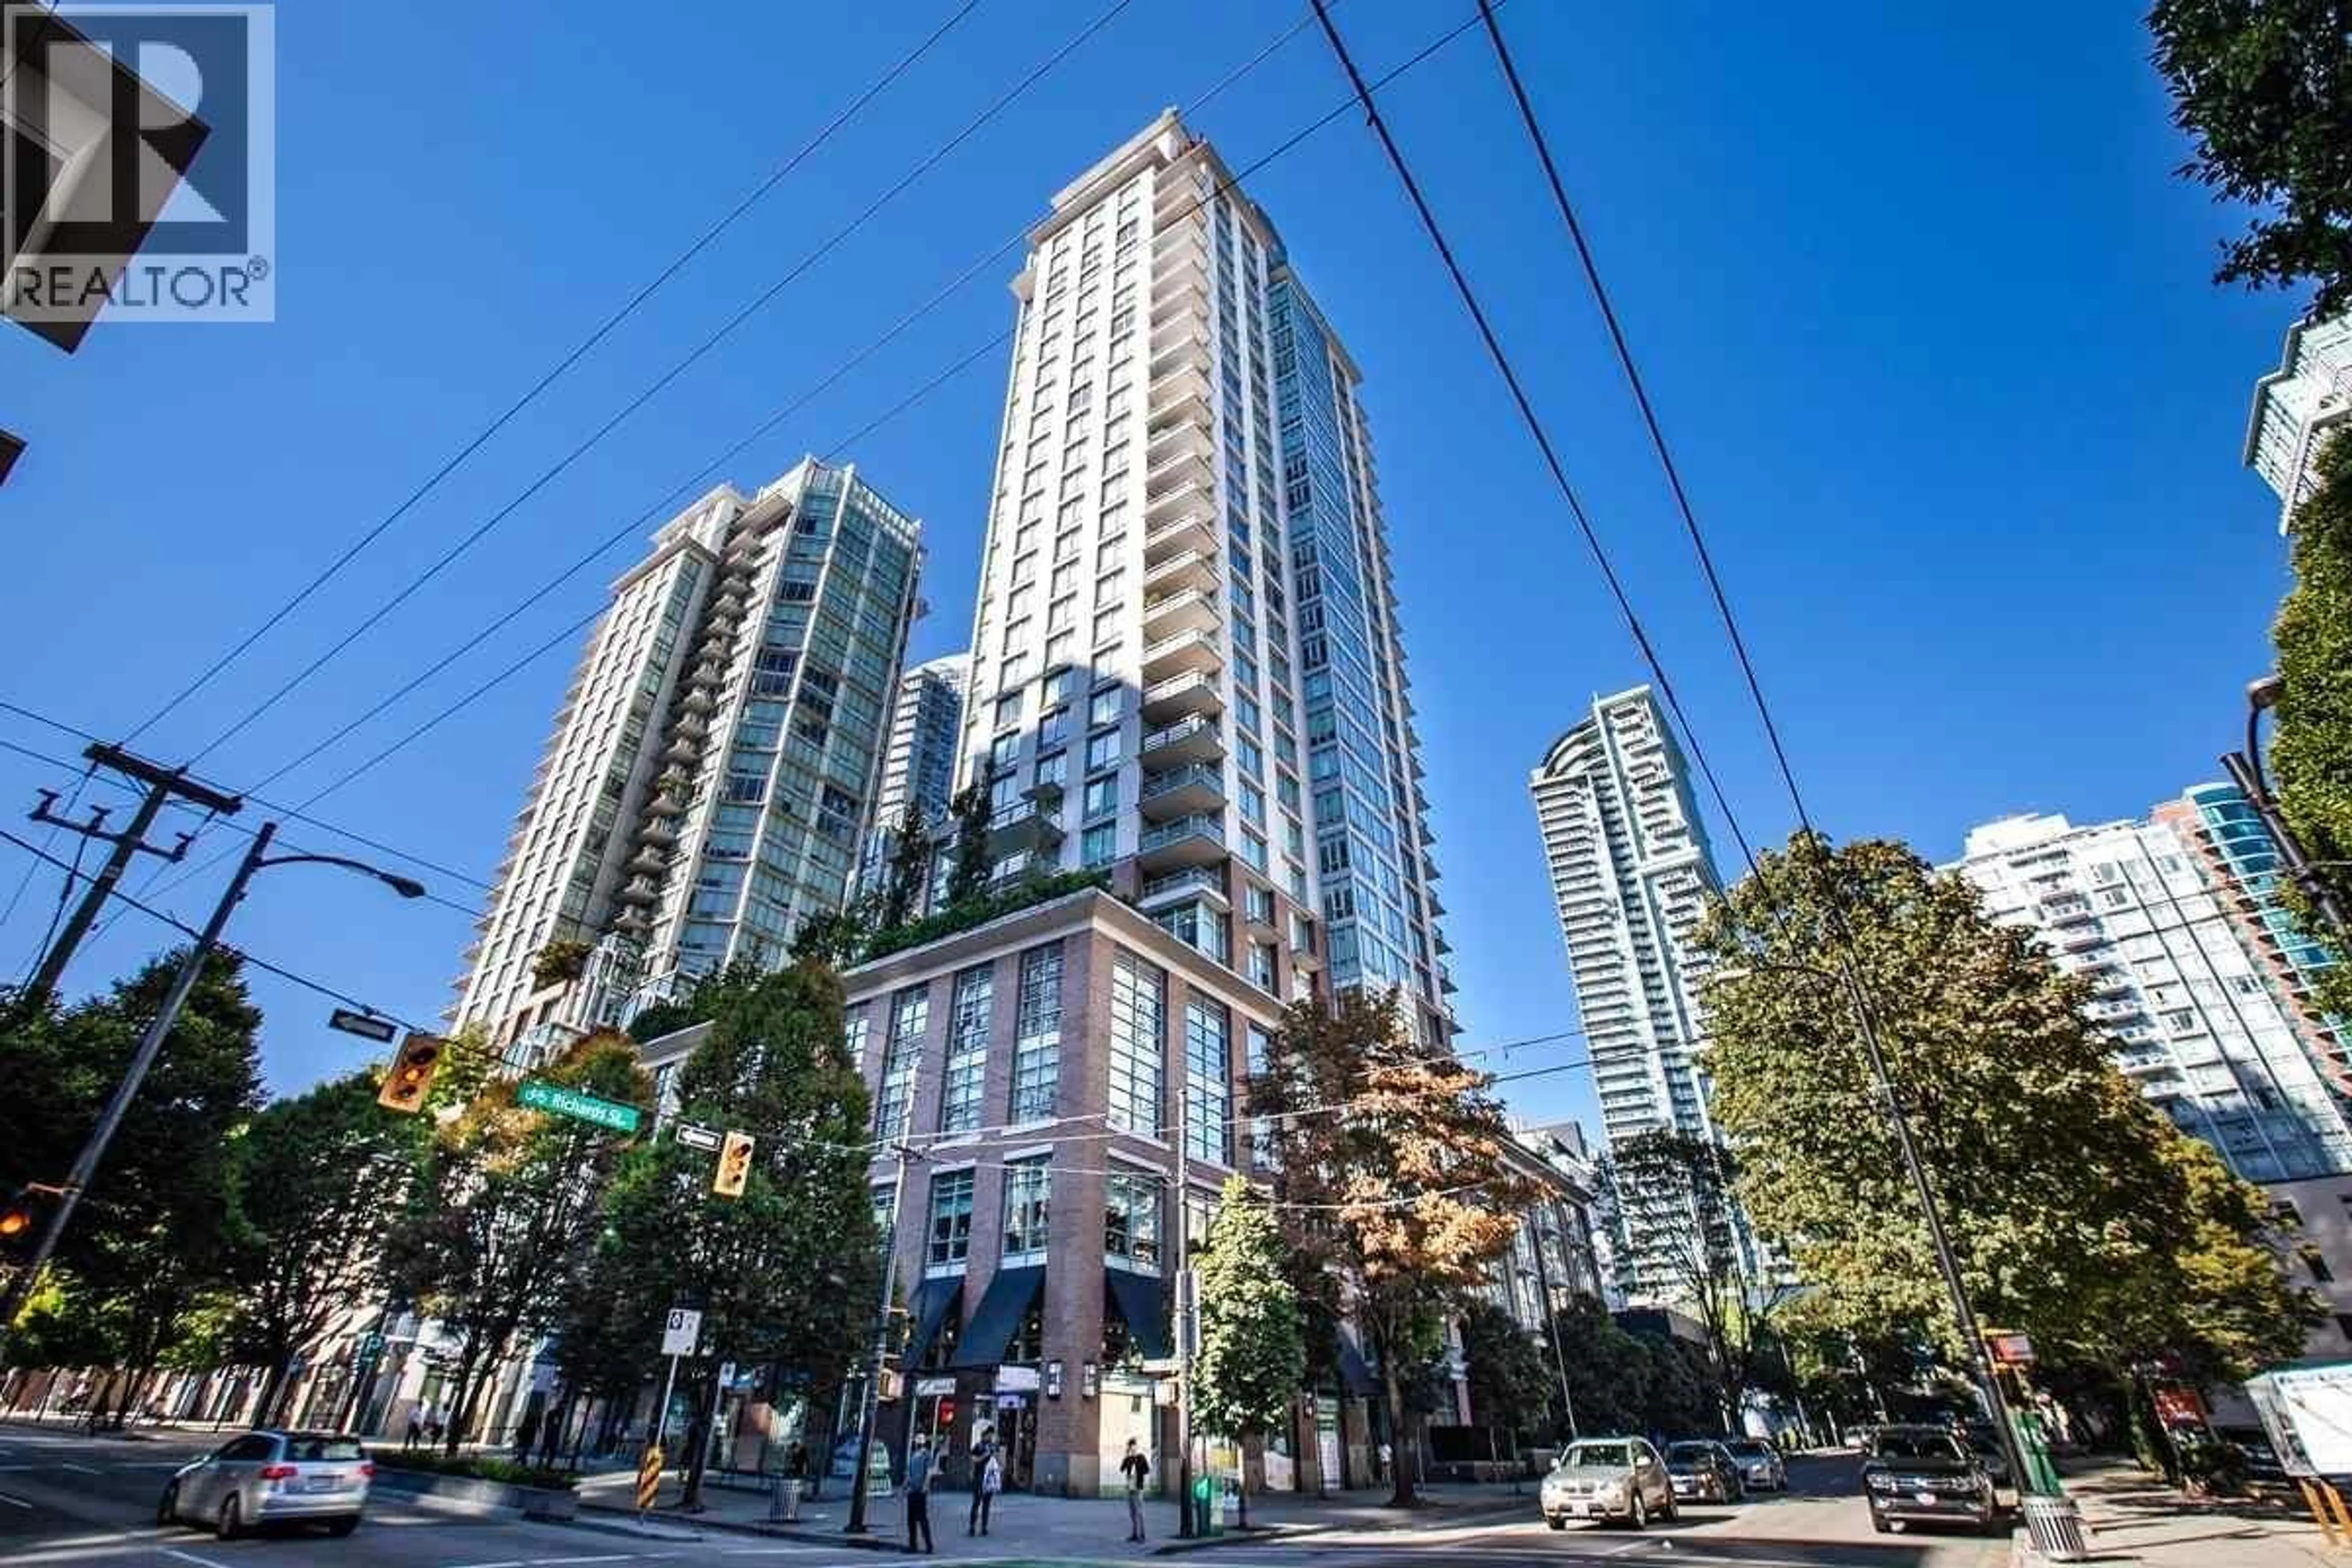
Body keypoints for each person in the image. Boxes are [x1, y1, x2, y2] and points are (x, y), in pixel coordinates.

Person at [905, 1434, 937, 1553]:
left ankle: (929, 1545)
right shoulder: (913, 1455)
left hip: (920, 1491)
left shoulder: (926, 1455)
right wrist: (905, 1486)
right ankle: (913, 1545)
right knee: (911, 1520)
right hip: (912, 1490)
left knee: (922, 1519)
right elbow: (909, 1473)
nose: (917, 1444)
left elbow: (929, 1472)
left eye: (918, 1442)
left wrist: (925, 1486)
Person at [968, 1425, 998, 1536]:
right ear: (985, 1434)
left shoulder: (993, 1446)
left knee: (987, 1504)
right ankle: (972, 1527)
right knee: (976, 1503)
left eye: (992, 1434)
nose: (991, 1436)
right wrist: (986, 1455)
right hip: (979, 1477)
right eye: (989, 1434)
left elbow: (996, 1460)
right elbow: (974, 1460)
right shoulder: (978, 1446)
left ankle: (984, 1527)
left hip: (989, 1479)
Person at [1121, 1438, 1151, 1544]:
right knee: (1132, 1512)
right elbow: (1122, 1469)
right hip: (1130, 1488)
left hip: (1138, 1488)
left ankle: (1142, 1535)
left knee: (1140, 1512)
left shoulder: (1141, 1457)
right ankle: (1134, 1534)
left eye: (1133, 1446)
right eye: (1130, 1446)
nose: (1131, 1448)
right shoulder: (1128, 1459)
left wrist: (1138, 1471)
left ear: (1136, 1447)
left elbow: (1147, 1470)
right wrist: (1126, 1456)